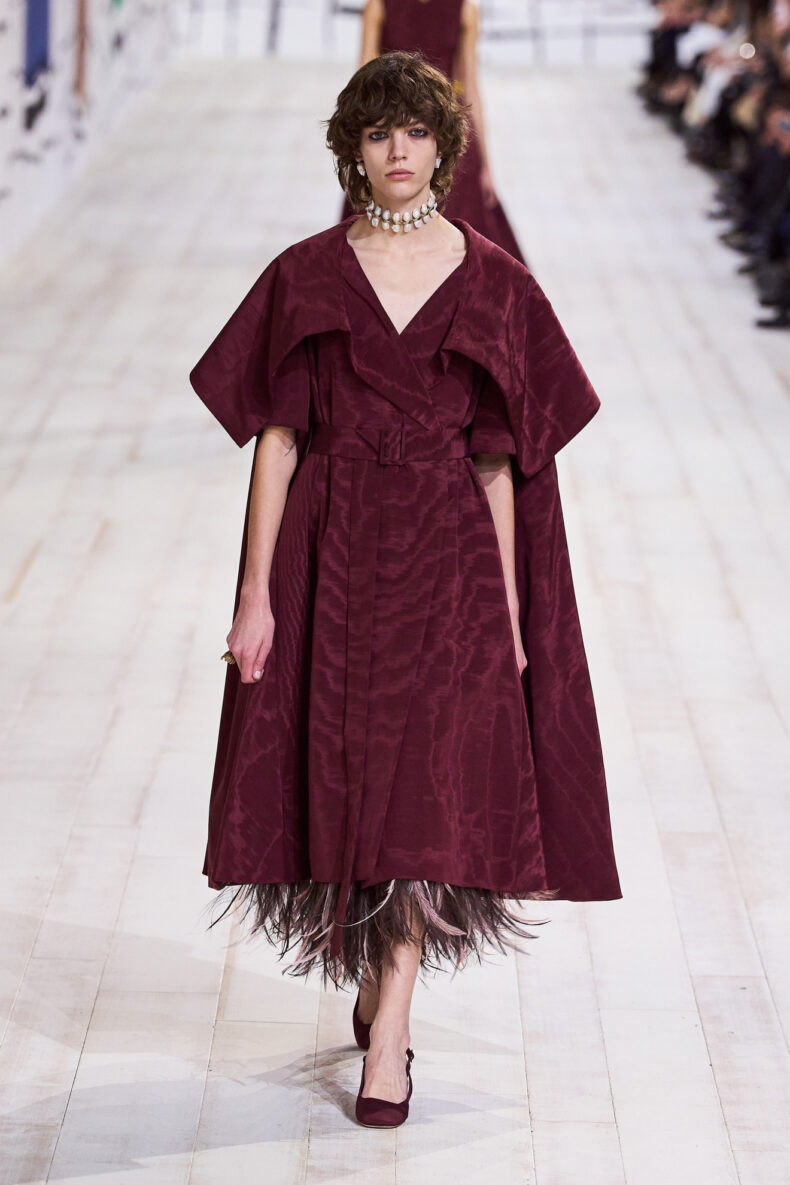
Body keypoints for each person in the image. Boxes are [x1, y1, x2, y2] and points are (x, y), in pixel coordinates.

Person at [189, 50, 621, 1129]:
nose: (397, 150)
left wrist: (511, 616)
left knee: (425, 788)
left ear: (443, 146)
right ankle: (379, 980)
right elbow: (277, 439)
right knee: (346, 774)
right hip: (330, 551)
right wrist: (254, 595)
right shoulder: (306, 273)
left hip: (448, 562)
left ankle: (391, 1037)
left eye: (416, 132)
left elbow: (501, 461)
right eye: (378, 132)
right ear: (353, 148)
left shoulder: (494, 281)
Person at [339, 0, 527, 263]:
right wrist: (357, 149)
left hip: (448, 136)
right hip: (394, 132)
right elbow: (362, 85)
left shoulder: (465, 9)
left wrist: (486, 163)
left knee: (463, 248)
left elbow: (469, 86)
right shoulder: (378, 6)